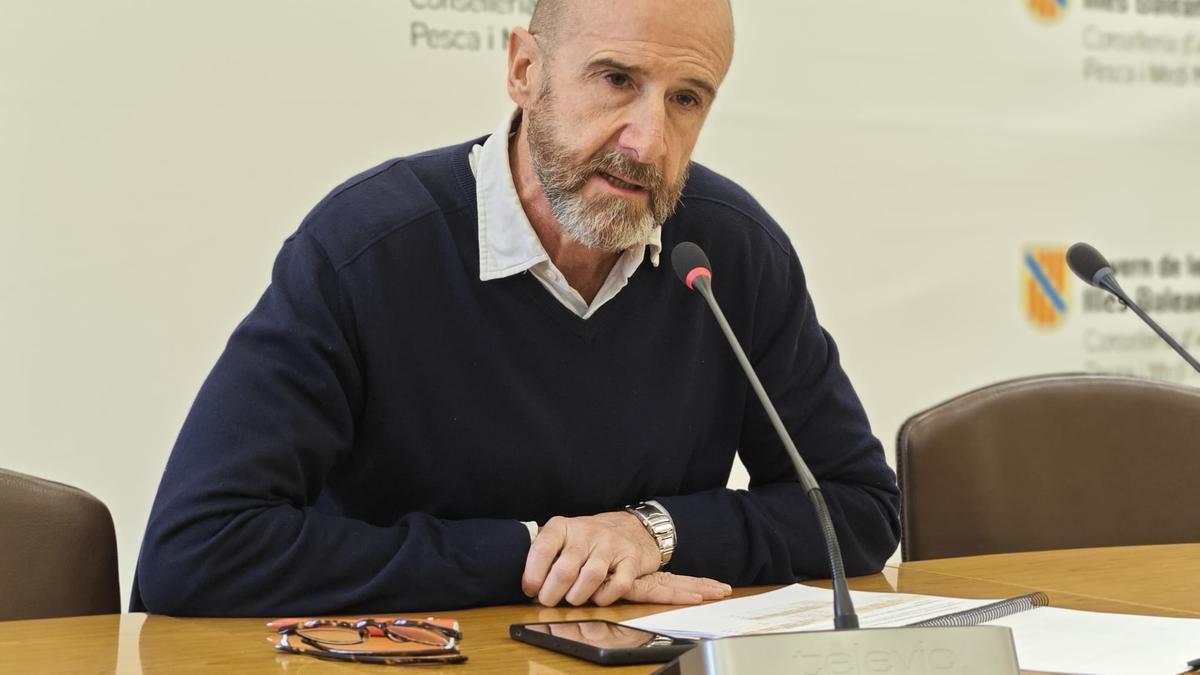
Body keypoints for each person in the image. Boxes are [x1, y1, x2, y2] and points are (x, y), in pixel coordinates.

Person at [132, 0, 900, 616]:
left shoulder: (728, 253)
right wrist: (531, 555)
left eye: (686, 99)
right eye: (616, 79)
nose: (647, 141)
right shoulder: (370, 247)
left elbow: (858, 510)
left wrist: (653, 532)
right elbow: (198, 548)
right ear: (525, 70)